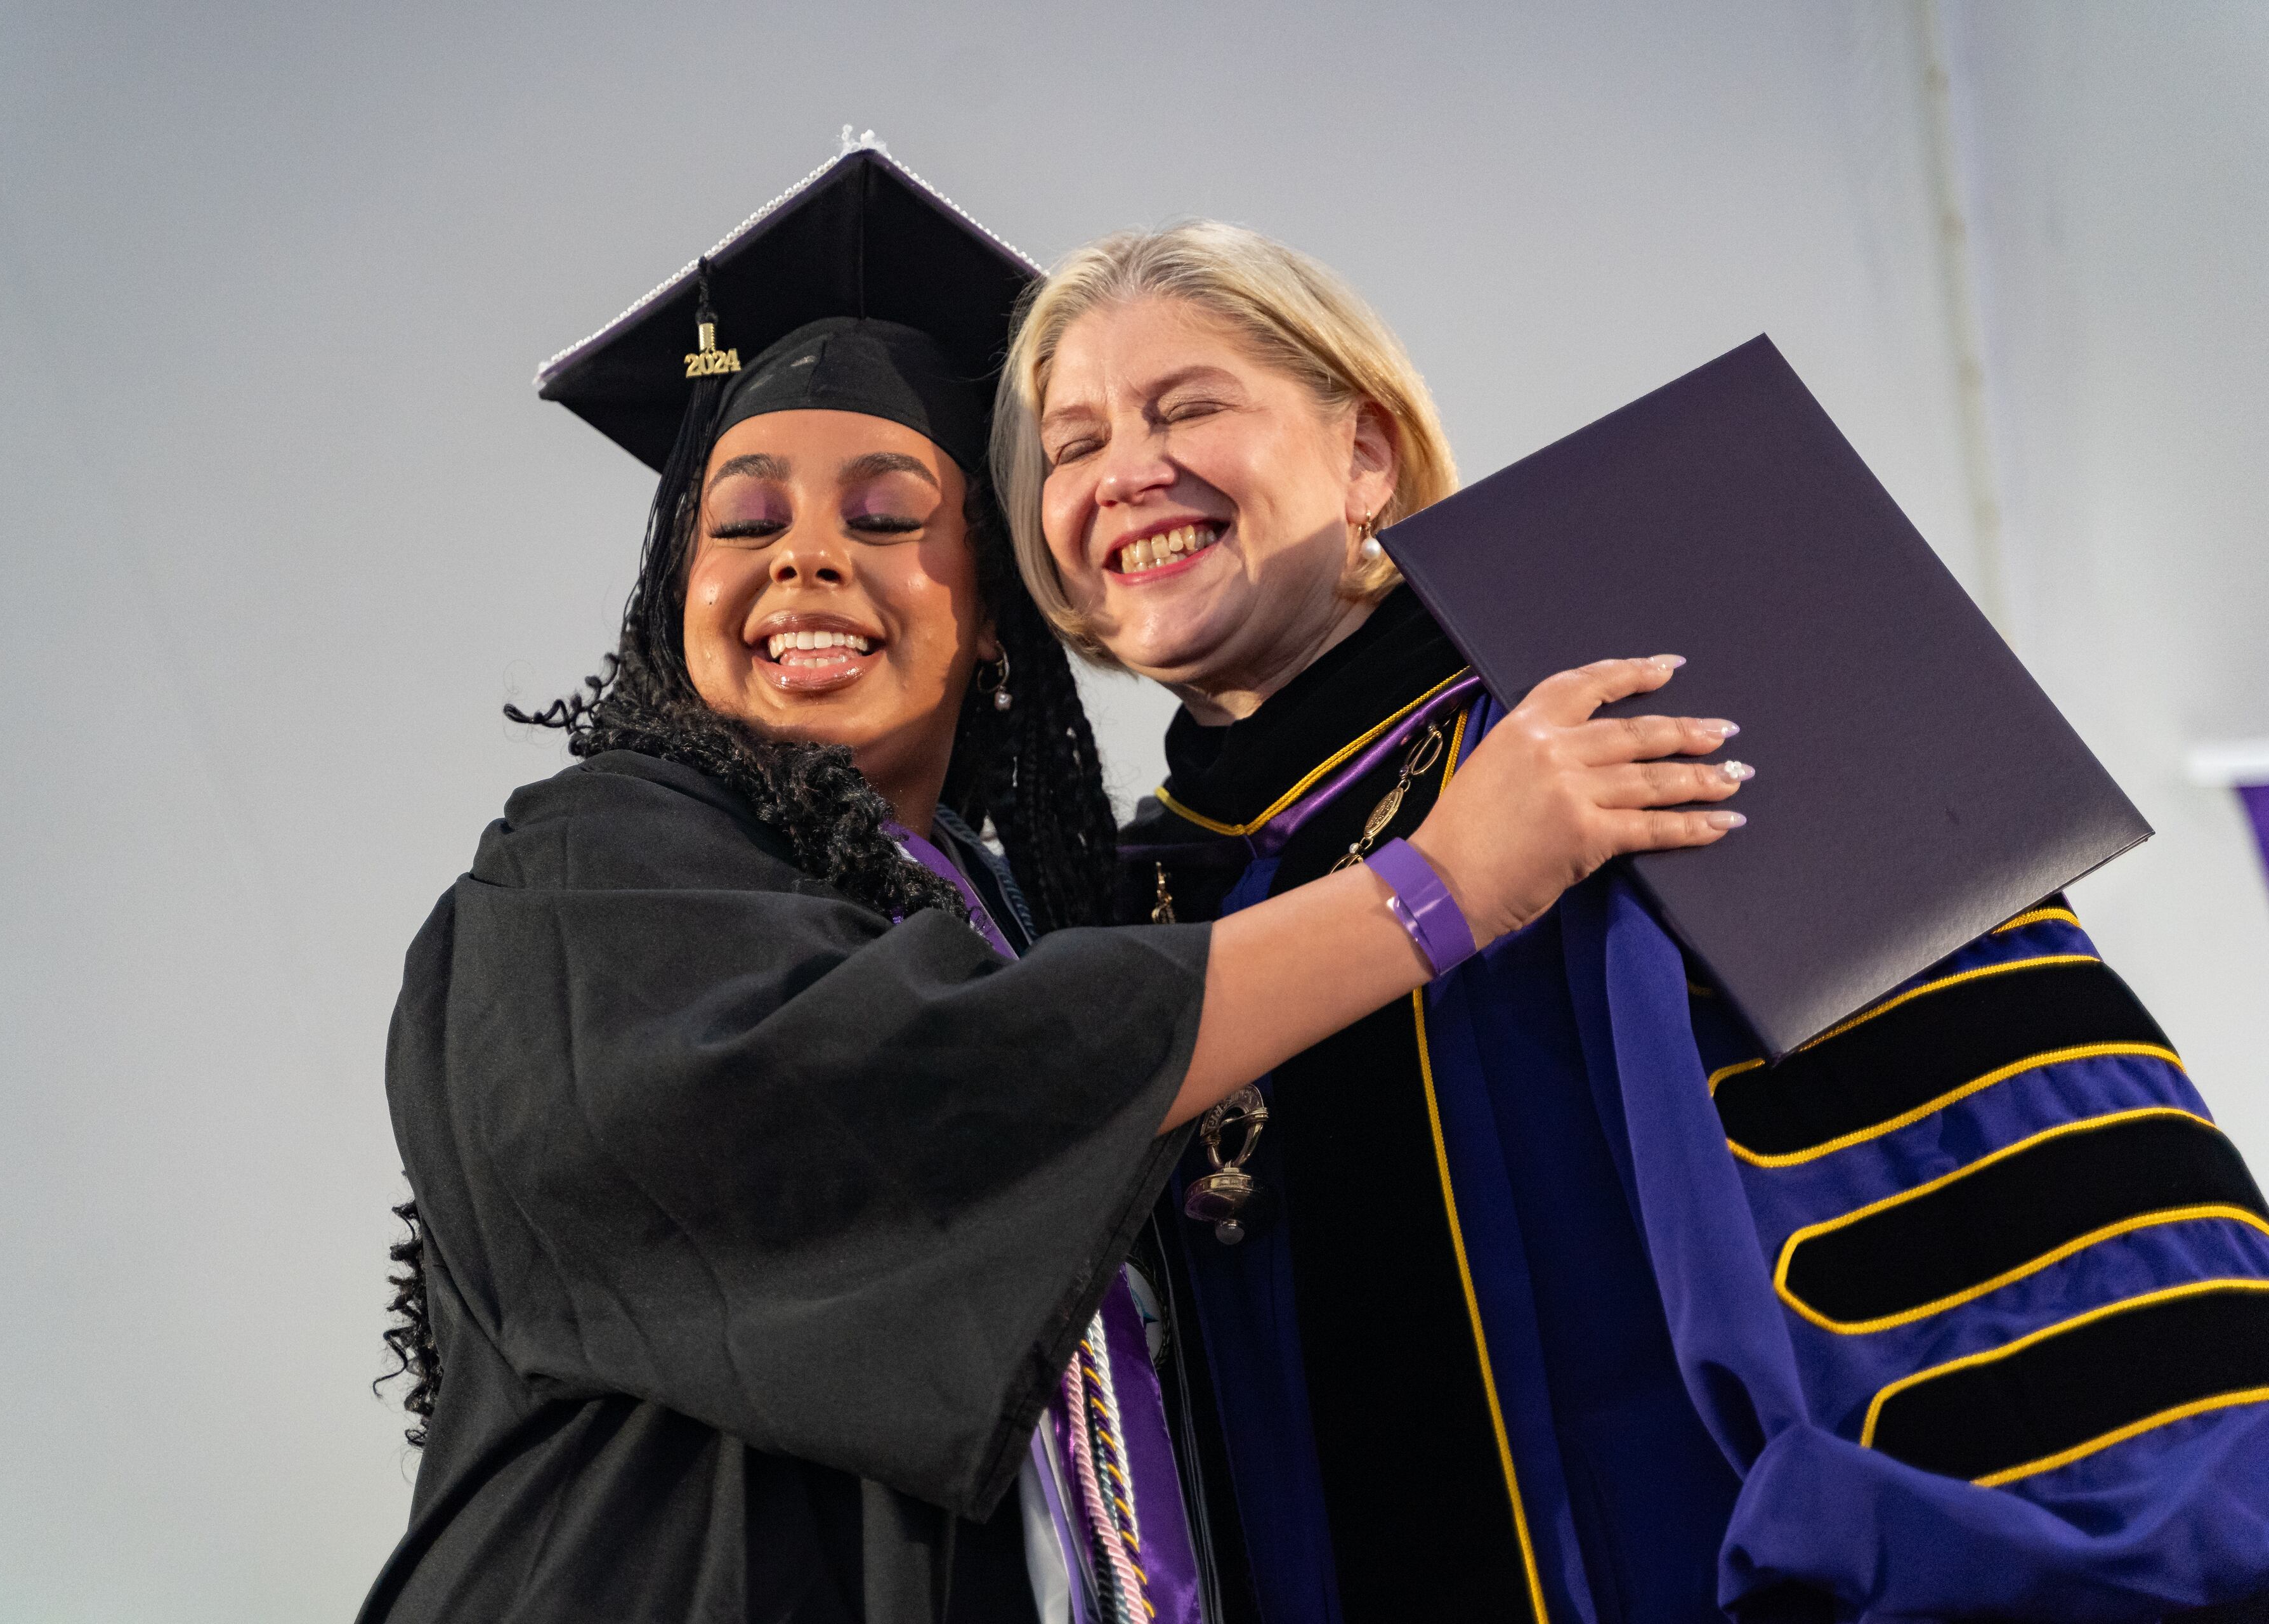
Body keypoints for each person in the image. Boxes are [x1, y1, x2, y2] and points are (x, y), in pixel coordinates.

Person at [357, 148, 1741, 1624]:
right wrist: (1437, 887)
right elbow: (904, 1092)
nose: (809, 557)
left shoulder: (1059, 919)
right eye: (744, 522)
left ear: (1002, 621)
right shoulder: (587, 871)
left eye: (890, 517)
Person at [992, 219, 2269, 1623]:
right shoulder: (1124, 902)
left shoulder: (1630, 703)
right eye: (1073, 443)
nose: (1127, 472)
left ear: (1364, 453)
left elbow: (2010, 1165)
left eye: (1190, 408)